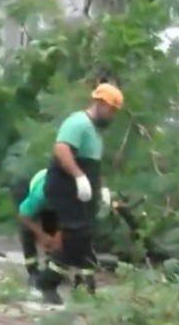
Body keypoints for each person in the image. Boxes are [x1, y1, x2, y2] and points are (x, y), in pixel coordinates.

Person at [36, 83, 124, 304]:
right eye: (111, 109)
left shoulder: (95, 132)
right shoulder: (78, 122)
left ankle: (86, 289)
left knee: (85, 237)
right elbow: (61, 149)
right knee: (73, 235)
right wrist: (78, 176)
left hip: (83, 193)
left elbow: (93, 165)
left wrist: (100, 188)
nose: (112, 115)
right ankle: (48, 282)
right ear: (99, 103)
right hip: (65, 190)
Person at [12, 169, 61, 292]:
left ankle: (51, 268)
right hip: (34, 194)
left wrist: (57, 236)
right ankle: (32, 270)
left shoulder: (71, 197)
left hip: (54, 203)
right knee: (27, 230)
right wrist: (41, 235)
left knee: (52, 229)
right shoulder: (39, 195)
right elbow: (23, 215)